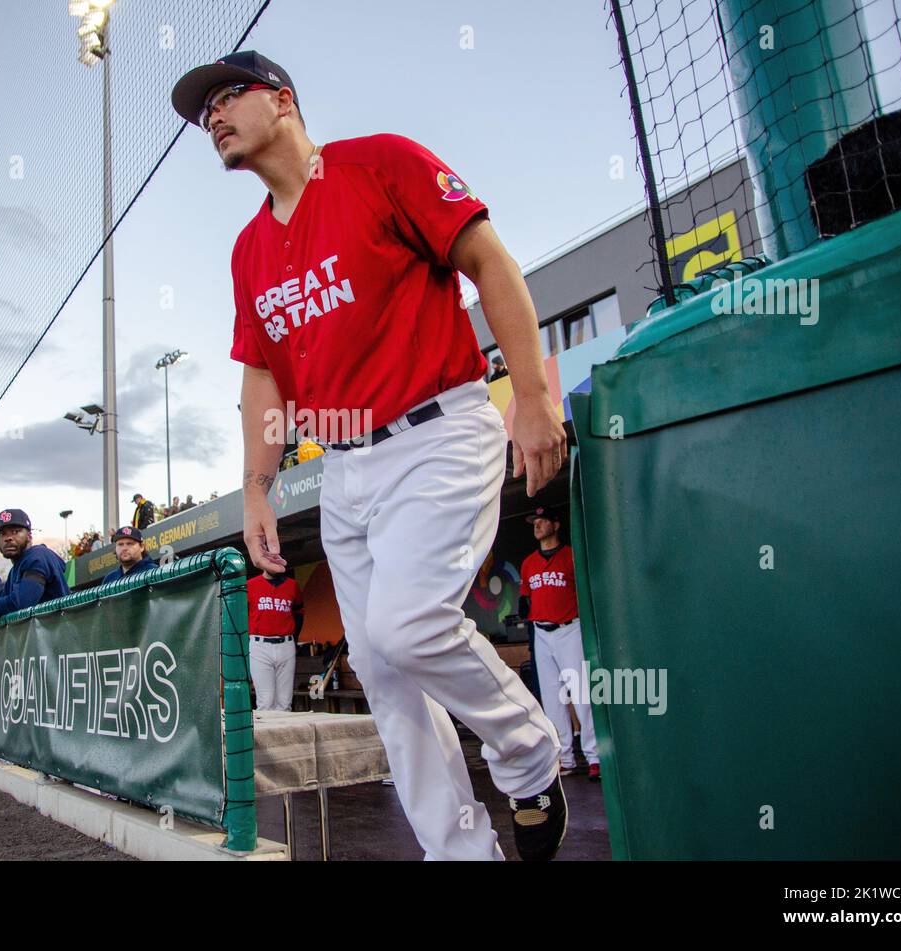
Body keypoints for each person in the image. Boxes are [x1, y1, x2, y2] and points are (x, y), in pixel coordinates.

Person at [173, 51, 569, 861]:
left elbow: (489, 258)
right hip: (345, 465)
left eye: (225, 96)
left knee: (405, 625)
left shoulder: (380, 162)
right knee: (385, 679)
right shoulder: (250, 249)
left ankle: (529, 752)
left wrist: (530, 394)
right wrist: (256, 487)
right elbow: (261, 381)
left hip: (438, 429)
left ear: (282, 100)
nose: (210, 116)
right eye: (201, 109)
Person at [519, 506, 598, 781]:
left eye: (541, 521)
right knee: (552, 700)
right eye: (534, 521)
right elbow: (526, 598)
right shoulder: (529, 562)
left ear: (556, 524)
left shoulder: (571, 555)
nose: (536, 525)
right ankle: (565, 757)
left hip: (569, 629)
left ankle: (594, 756)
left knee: (582, 694)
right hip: (541, 631)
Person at [247, 568, 304, 711]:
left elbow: (299, 613)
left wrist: (294, 639)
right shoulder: (250, 585)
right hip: (259, 644)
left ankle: (285, 734)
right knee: (266, 701)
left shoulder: (292, 585)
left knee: (285, 703)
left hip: (286, 643)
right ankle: (266, 734)